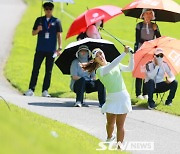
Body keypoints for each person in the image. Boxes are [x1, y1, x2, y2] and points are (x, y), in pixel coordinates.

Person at [81, 46, 134, 148]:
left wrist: (132, 56)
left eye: (100, 54)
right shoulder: (100, 71)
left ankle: (119, 147)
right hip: (111, 98)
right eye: (97, 56)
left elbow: (129, 68)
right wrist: (124, 53)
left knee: (120, 124)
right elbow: (113, 64)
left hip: (123, 97)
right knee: (110, 122)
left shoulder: (113, 64)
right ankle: (109, 138)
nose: (100, 56)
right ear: (95, 60)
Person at [24, 2, 63, 97]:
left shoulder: (56, 21)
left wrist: (60, 48)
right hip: (40, 48)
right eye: (46, 9)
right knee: (35, 69)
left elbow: (59, 35)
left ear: (52, 10)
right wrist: (38, 30)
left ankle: (45, 90)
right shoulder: (39, 20)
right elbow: (33, 33)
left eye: (50, 9)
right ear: (44, 10)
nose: (48, 11)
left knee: (48, 71)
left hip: (51, 50)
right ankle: (31, 89)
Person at [134, 8, 161, 100]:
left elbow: (159, 39)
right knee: (139, 71)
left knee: (148, 71)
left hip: (151, 51)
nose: (148, 15)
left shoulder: (154, 25)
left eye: (150, 13)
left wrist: (156, 30)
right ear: (143, 15)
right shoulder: (139, 25)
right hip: (141, 49)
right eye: (147, 13)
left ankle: (145, 92)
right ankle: (138, 93)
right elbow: (137, 40)